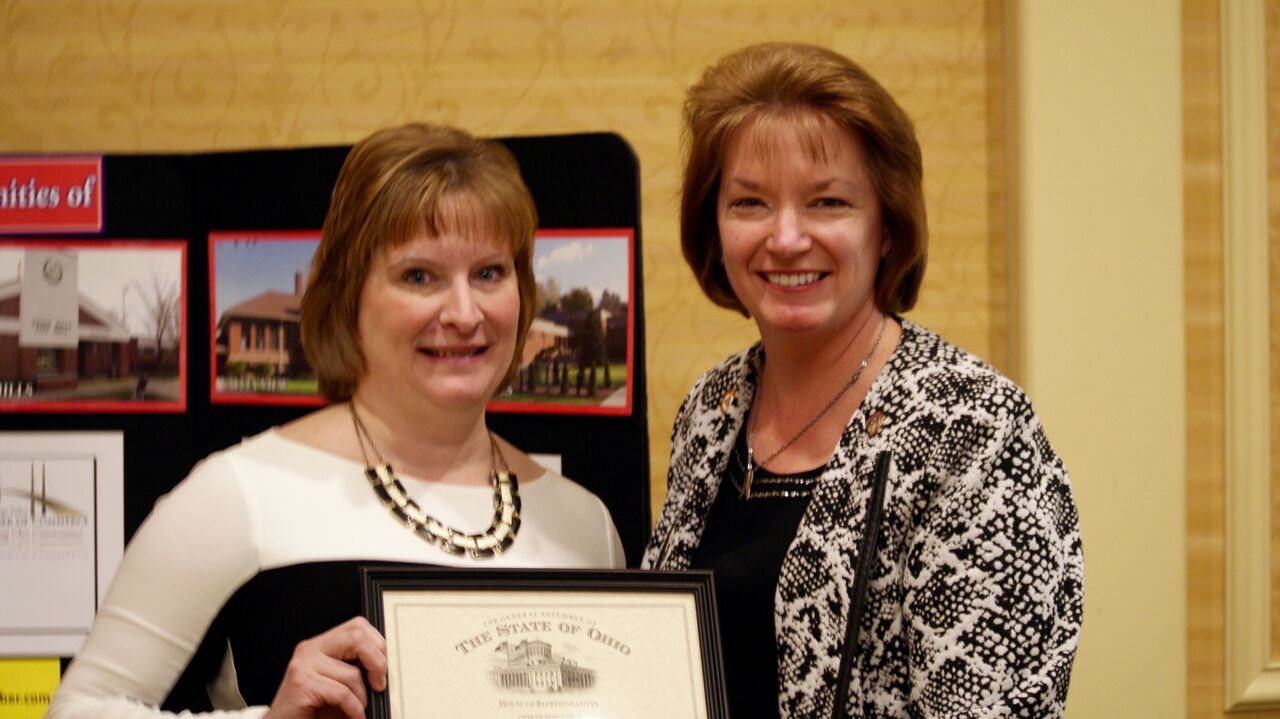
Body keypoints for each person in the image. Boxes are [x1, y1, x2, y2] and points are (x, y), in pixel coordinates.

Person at [48, 123, 625, 719]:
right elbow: (78, 709)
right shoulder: (239, 493)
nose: (463, 312)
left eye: (488, 273)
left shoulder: (585, 526)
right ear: (349, 298)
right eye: (418, 276)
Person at [642, 42, 1083, 718]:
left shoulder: (972, 431)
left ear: (886, 227)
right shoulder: (712, 408)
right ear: (714, 226)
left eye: (827, 202)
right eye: (751, 203)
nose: (785, 238)